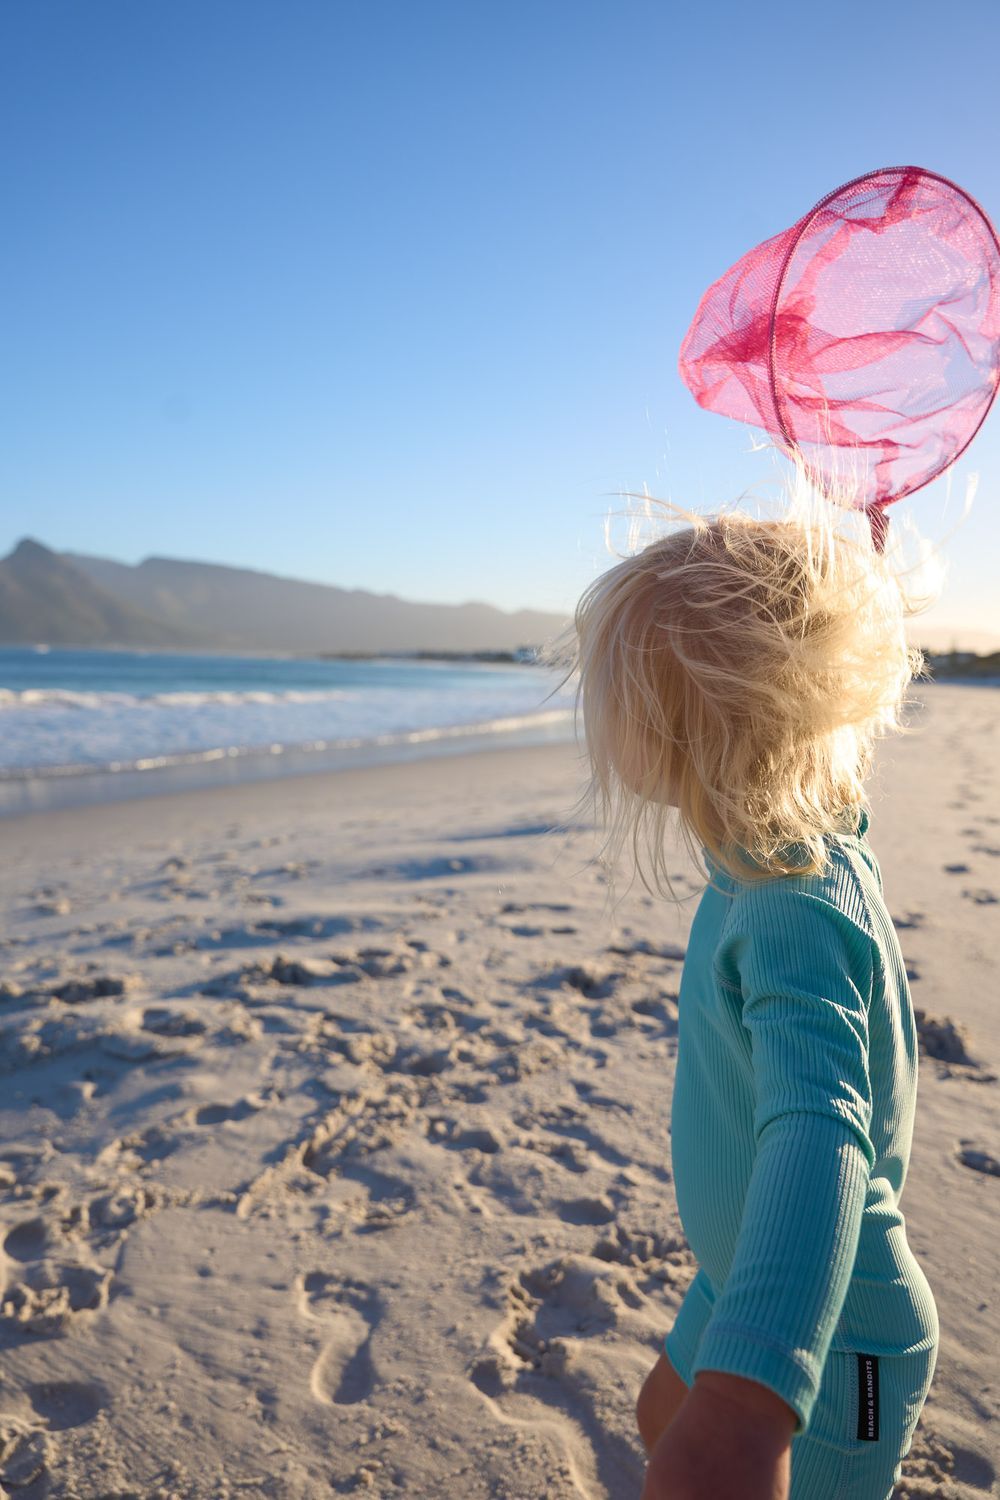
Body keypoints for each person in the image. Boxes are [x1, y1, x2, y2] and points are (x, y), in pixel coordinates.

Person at [556, 490, 940, 1499]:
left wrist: (748, 1398)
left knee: (709, 1444)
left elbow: (818, 1129)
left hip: (830, 1324)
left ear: (688, 728)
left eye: (616, 696)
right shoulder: (775, 848)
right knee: (655, 1415)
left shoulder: (793, 903)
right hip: (739, 1271)